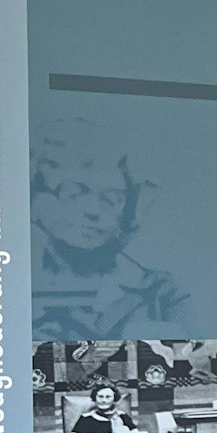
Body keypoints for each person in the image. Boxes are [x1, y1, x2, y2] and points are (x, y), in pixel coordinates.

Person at [30, 119, 189, 340]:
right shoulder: (5, 289)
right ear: (37, 200)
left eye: (113, 198)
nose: (94, 211)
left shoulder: (159, 291)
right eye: (75, 193)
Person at [70, 383, 139, 433]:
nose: (104, 400)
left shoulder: (122, 416)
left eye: (108, 397)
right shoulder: (86, 418)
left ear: (114, 398)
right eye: (100, 397)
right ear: (95, 398)